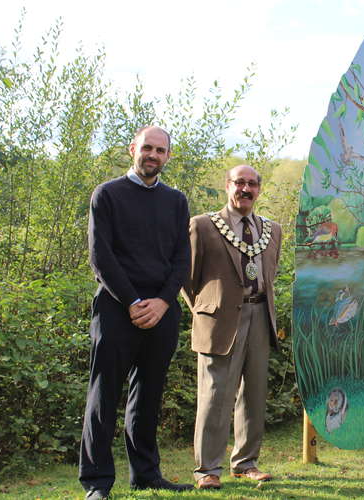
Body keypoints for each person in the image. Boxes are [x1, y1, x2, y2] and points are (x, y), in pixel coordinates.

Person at [79, 126, 192, 500]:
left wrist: (162, 302)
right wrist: (132, 302)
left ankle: (145, 474)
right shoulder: (107, 194)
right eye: (147, 148)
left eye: (161, 150)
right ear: (133, 149)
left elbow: (181, 260)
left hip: (162, 312)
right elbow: (101, 257)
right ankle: (96, 482)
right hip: (115, 308)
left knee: (148, 395)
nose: (153, 155)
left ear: (168, 157)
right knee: (104, 394)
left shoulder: (176, 201)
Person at [181, 164, 282, 490]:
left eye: (252, 184)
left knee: (254, 395)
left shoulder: (272, 229)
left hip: (259, 318)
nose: (246, 189)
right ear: (227, 186)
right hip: (220, 321)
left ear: (259, 190)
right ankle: (207, 469)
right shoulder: (203, 226)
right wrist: (205, 311)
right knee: (215, 397)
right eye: (240, 182)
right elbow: (187, 278)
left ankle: (246, 463)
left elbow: (271, 272)